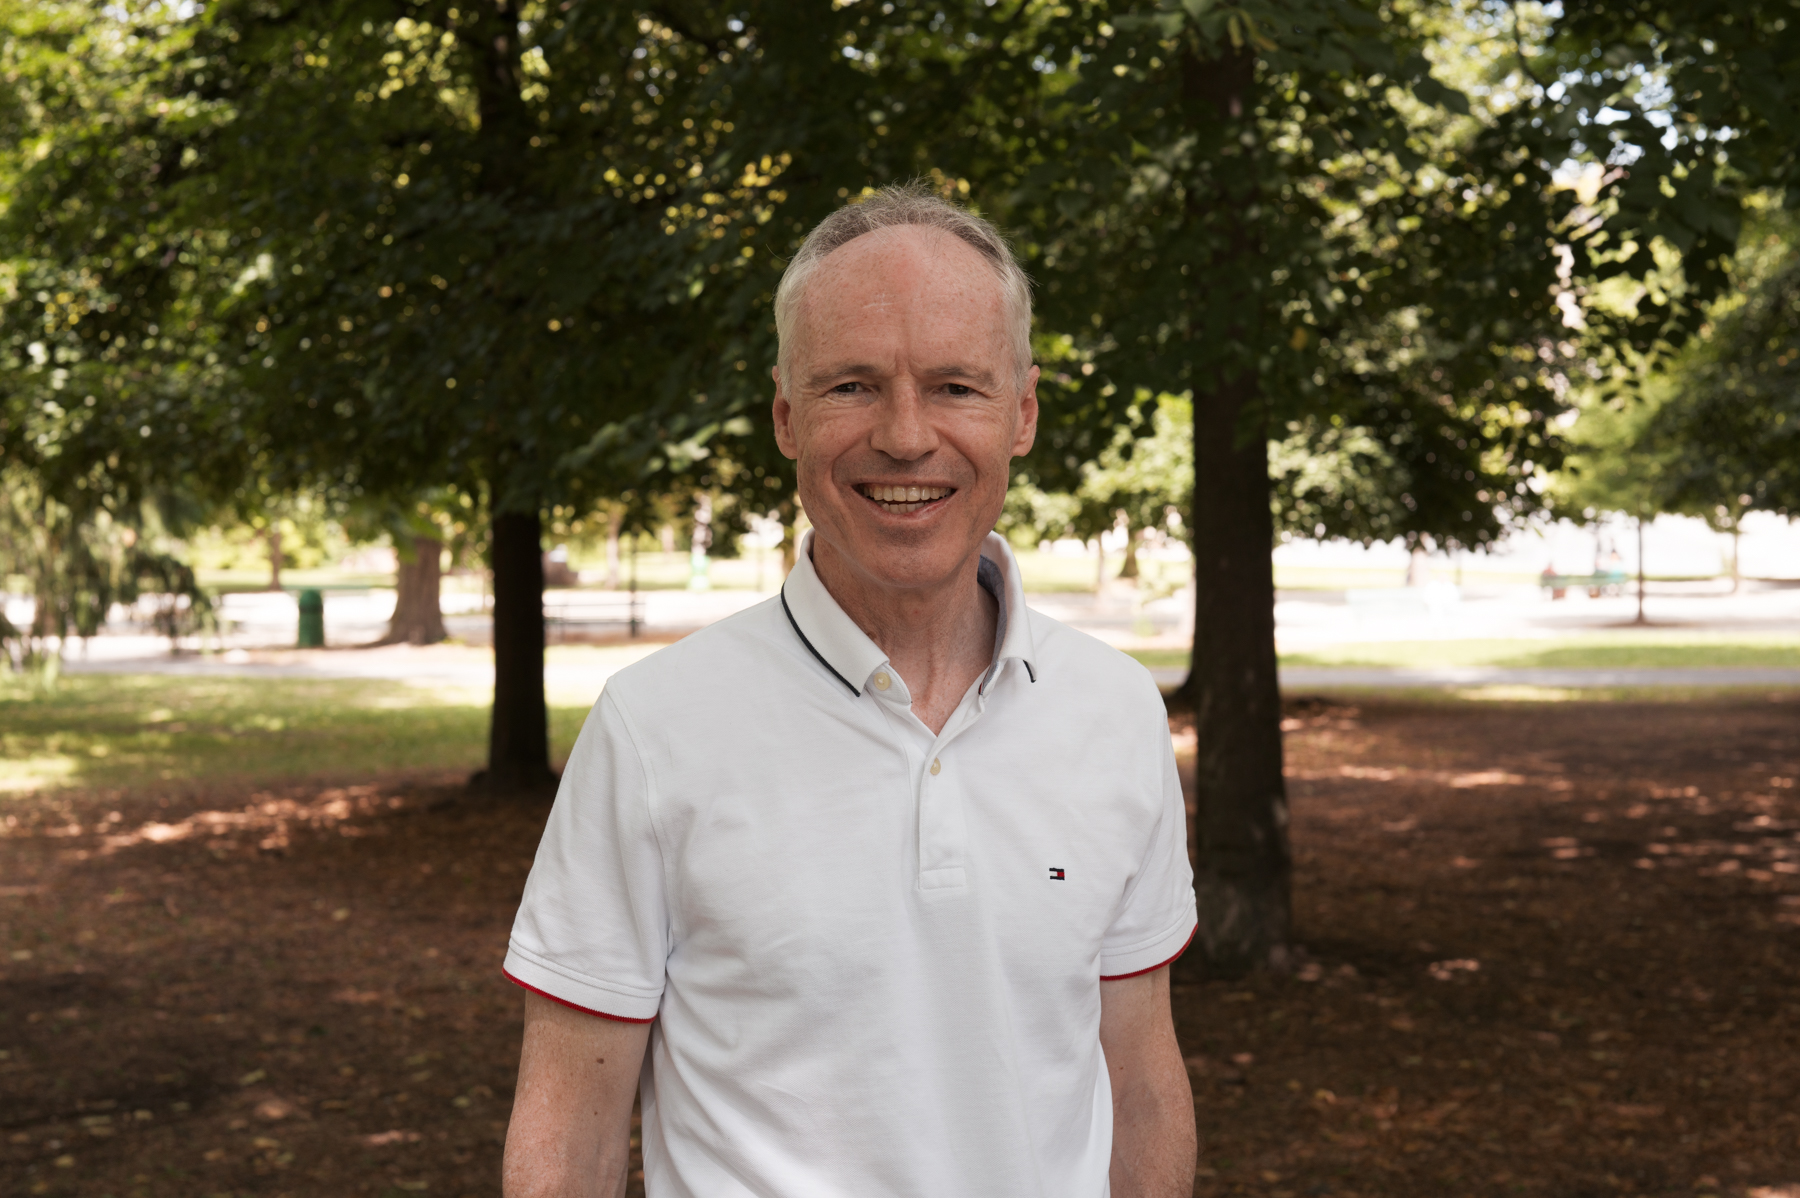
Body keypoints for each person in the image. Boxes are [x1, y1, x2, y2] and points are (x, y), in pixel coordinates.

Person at [500, 184, 1198, 1197]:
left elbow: (1138, 1080)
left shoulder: (1117, 712)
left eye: (958, 385)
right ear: (786, 416)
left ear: (1024, 412)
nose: (907, 436)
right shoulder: (654, 730)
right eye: (853, 387)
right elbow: (570, 1126)